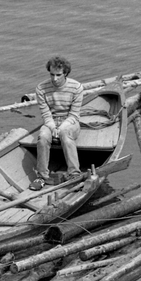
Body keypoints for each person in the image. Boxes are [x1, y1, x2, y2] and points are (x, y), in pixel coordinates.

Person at [31, 55, 85, 191]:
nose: (55, 79)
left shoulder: (77, 88)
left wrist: (61, 128)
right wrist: (52, 126)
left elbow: (74, 115)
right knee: (43, 137)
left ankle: (74, 174)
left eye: (58, 75)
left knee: (66, 137)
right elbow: (46, 114)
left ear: (65, 73)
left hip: (70, 122)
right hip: (51, 122)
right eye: (52, 75)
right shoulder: (41, 88)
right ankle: (42, 176)